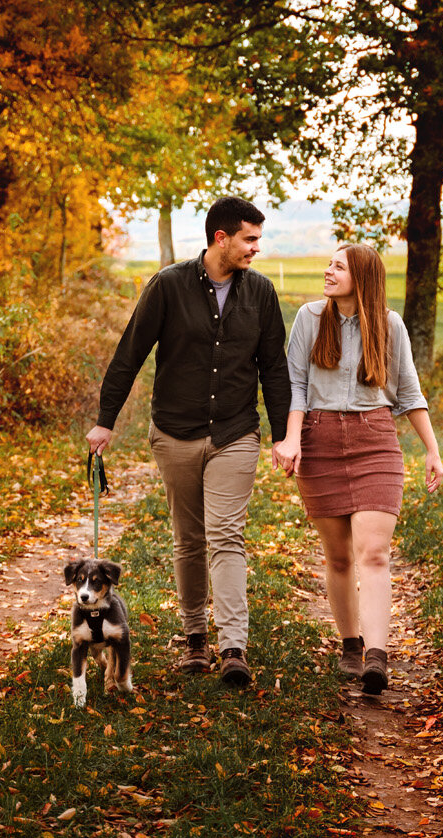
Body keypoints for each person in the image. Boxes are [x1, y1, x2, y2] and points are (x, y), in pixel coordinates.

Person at [86, 196, 291, 687]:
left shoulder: (260, 293)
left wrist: (284, 435)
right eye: (249, 239)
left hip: (235, 432)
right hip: (175, 431)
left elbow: (276, 370)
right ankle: (195, 639)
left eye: (258, 240)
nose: (256, 249)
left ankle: (233, 647)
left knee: (226, 535)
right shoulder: (168, 286)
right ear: (221, 238)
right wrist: (105, 420)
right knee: (189, 539)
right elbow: (130, 353)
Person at [272, 243, 443, 695]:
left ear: (362, 278)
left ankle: (376, 657)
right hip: (319, 439)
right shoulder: (309, 319)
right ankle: (350, 643)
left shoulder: (390, 325)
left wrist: (432, 449)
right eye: (328, 263)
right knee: (340, 556)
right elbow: (295, 384)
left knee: (374, 553)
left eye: (338, 266)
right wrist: (291, 439)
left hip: (376, 443)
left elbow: (409, 390)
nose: (327, 271)